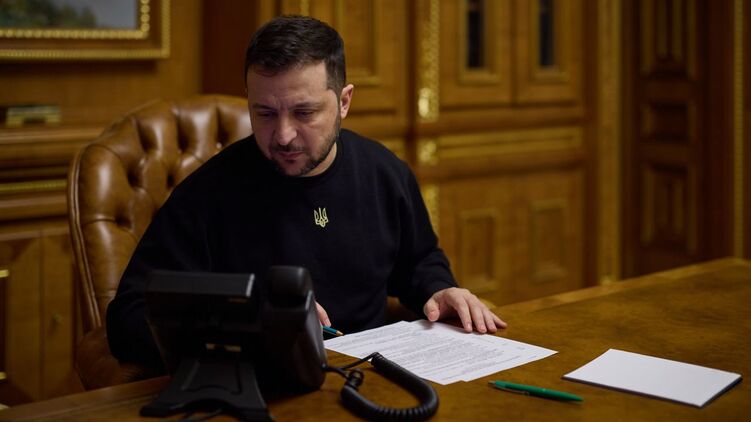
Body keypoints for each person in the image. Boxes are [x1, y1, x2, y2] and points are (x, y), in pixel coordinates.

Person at [106, 15, 506, 368]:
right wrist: (248, 322)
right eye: (264, 113)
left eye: (304, 112)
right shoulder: (206, 194)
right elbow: (128, 317)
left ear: (344, 102)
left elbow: (418, 261)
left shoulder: (385, 173)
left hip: (373, 377)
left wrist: (440, 289)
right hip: (265, 387)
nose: (283, 135)